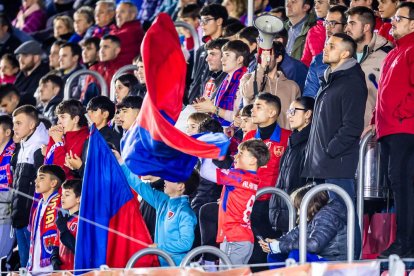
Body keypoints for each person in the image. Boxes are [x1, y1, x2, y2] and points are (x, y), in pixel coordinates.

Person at [366, 2, 414, 258]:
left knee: (404, 187)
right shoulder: (395, 52)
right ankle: (405, 241)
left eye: (399, 18)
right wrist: (376, 119)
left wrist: (400, 114)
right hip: (391, 129)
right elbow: (384, 91)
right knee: (399, 187)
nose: (393, 22)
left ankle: (406, 243)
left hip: (405, 130)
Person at [117, 150, 199, 266]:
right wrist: (121, 161)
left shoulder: (186, 213)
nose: (165, 179)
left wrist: (159, 247)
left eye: (170, 178)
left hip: (177, 268)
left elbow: (186, 243)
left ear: (180, 186)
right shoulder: (162, 200)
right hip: (161, 265)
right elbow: (138, 185)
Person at [243, 93, 291, 265]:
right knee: (251, 251)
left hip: (273, 203)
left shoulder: (287, 137)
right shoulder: (248, 136)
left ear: (272, 113)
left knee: (268, 252)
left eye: (258, 106)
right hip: (249, 200)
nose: (253, 110)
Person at [261, 184, 347, 266]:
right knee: (275, 255)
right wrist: (276, 242)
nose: (298, 213)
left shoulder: (327, 216)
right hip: (321, 257)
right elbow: (293, 235)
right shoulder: (315, 214)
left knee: (296, 255)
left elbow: (314, 245)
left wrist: (279, 246)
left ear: (309, 205)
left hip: (334, 261)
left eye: (299, 208)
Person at [215, 139, 270, 265]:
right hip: (244, 239)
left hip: (233, 238)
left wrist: (207, 151)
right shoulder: (252, 178)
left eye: (241, 153)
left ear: (253, 160)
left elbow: (206, 171)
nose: (235, 156)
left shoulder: (237, 176)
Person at [269, 97, 314, 236]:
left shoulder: (311, 143)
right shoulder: (292, 142)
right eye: (289, 111)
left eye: (294, 111)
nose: (289, 115)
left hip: (300, 216)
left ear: (308, 114)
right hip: (285, 214)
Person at [11, 105, 49, 267]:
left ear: (32, 125)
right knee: (23, 264)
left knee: (30, 264)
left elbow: (42, 186)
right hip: (20, 217)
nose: (15, 128)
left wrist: (31, 219)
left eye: (19, 123)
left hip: (30, 220)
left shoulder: (39, 147)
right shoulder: (24, 144)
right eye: (14, 124)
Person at [345, 6, 393, 126]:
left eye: (352, 24)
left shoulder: (387, 55)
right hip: (342, 129)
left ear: (366, 27)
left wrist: (375, 125)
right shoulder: (343, 53)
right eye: (347, 24)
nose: (346, 29)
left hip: (371, 132)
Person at [240, 41, 301, 130]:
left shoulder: (292, 86)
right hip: (256, 140)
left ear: (278, 58)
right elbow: (248, 94)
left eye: (267, 55)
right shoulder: (248, 78)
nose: (263, 58)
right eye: (261, 54)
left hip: (282, 140)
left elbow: (295, 117)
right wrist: (261, 68)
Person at [192, 40, 249, 127]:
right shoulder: (227, 78)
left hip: (233, 133)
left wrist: (214, 109)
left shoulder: (245, 80)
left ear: (239, 59)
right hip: (219, 128)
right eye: (222, 55)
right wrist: (206, 107)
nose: (222, 59)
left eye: (227, 55)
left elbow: (239, 118)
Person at [26, 165, 66, 274]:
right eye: (37, 177)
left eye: (41, 178)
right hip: (34, 267)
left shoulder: (61, 203)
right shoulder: (39, 205)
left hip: (50, 269)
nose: (36, 181)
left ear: (53, 183)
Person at [187, 4, 228, 104]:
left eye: (206, 20)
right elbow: (195, 80)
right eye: (201, 21)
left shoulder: (228, 48)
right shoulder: (201, 50)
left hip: (214, 105)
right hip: (195, 105)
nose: (202, 25)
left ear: (219, 21)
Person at [303, 5, 348, 98]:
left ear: (346, 27)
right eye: (326, 23)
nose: (327, 27)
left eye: (333, 23)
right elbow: (309, 95)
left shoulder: (356, 56)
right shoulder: (319, 59)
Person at [45, 100, 89, 179]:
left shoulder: (84, 138)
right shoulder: (61, 135)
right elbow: (47, 164)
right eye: (58, 118)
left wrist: (58, 142)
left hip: (68, 188)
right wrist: (52, 139)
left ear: (75, 119)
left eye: (63, 117)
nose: (58, 122)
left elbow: (60, 171)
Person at [52, 179, 82, 271]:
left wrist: (64, 230)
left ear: (78, 198)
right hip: (62, 272)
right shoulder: (63, 221)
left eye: (67, 195)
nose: (62, 198)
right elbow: (56, 245)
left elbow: (79, 249)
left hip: (75, 271)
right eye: (62, 194)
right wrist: (54, 258)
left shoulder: (82, 221)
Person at [0, 115, 16, 258]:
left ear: (7, 132)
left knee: (2, 256)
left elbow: (18, 189)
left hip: (7, 214)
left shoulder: (14, 152)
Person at [110, 1, 144, 66]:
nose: (118, 16)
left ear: (132, 15)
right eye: (117, 12)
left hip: (124, 71)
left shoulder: (134, 31)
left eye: (122, 12)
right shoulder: (114, 31)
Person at [301, 0, 330, 67]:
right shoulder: (313, 31)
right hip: (314, 76)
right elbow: (305, 62)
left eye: (320, 2)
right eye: (315, 3)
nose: (315, 7)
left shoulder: (343, 27)